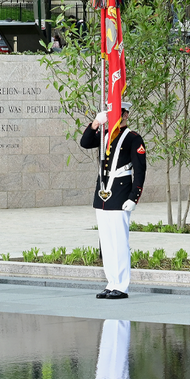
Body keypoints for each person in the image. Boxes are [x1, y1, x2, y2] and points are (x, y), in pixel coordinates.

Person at [79, 102, 147, 300]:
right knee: (107, 243)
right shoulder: (104, 135)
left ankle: (122, 285)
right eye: (110, 114)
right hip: (102, 195)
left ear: (125, 115)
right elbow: (84, 143)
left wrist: (134, 196)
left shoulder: (133, 138)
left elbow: (140, 170)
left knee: (118, 241)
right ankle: (111, 282)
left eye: (117, 113)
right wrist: (95, 124)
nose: (113, 117)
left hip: (120, 193)